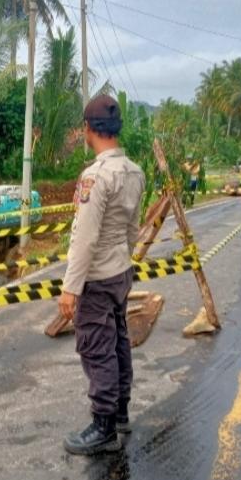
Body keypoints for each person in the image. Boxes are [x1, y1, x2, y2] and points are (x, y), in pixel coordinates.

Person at [58, 95, 146, 456]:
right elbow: (133, 227)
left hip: (95, 278)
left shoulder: (96, 176)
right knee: (118, 341)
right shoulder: (135, 171)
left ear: (87, 130)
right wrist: (125, 259)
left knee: (97, 348)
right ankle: (120, 412)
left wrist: (70, 288)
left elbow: (84, 237)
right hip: (121, 270)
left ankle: (104, 426)